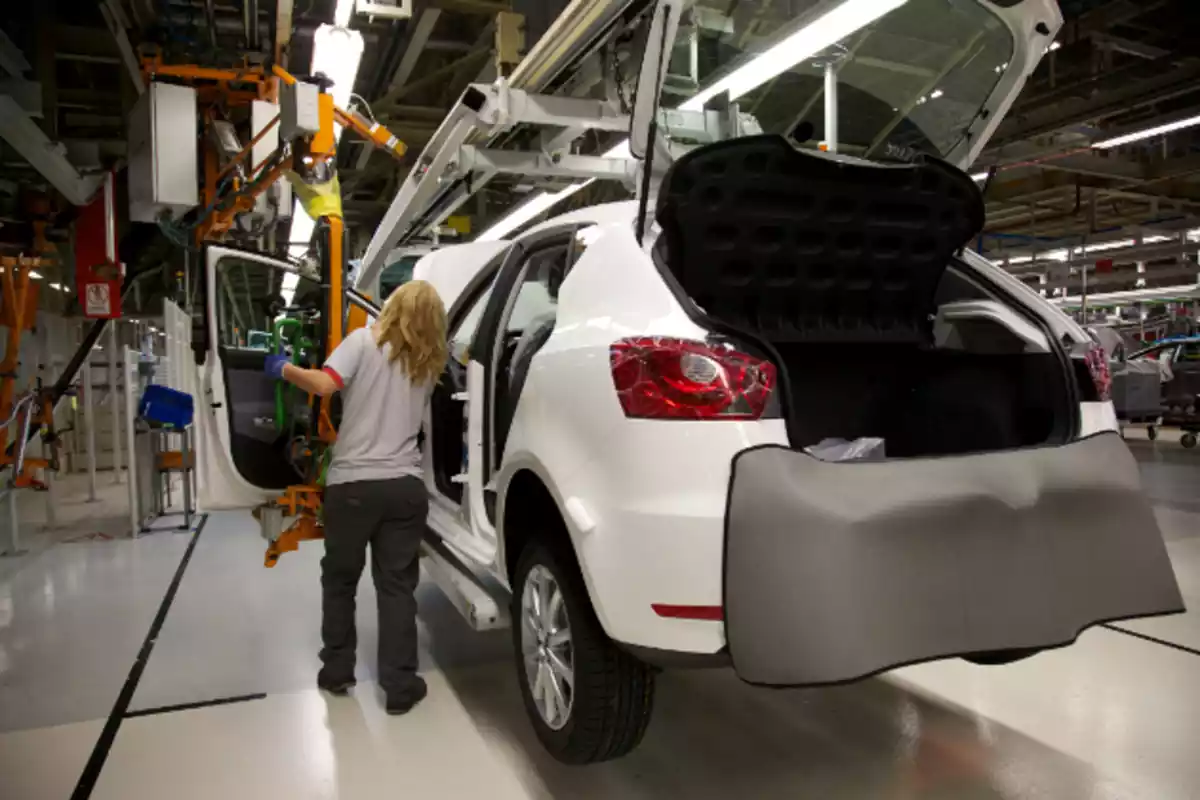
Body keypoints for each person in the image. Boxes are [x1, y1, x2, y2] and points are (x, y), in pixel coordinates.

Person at [264, 280, 447, 715]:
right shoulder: (430, 362)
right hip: (404, 488)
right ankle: (400, 687)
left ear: (395, 306)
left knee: (341, 580)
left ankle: (337, 671)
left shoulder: (363, 341)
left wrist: (283, 368)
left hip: (353, 488)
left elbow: (323, 386)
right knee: (397, 587)